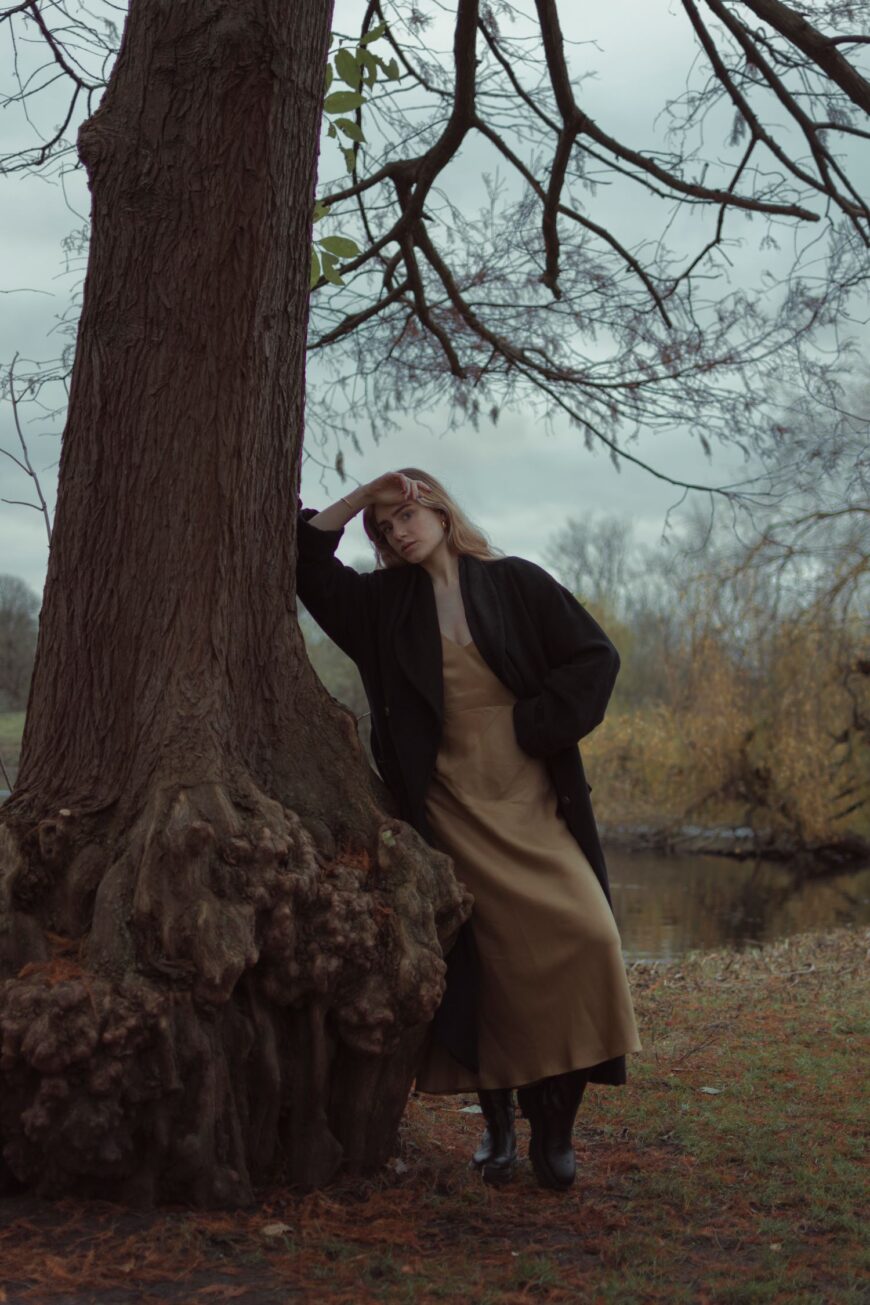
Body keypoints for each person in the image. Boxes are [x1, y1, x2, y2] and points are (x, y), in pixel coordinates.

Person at [296, 468, 641, 1190]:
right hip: (448, 809)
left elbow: (595, 658)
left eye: (404, 515)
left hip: (532, 802)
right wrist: (361, 496)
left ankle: (556, 1125)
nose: (396, 532)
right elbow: (303, 561)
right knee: (487, 968)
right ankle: (497, 1123)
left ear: (439, 509)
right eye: (384, 528)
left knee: (588, 938)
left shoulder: (515, 582)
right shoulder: (382, 605)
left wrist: (531, 725)